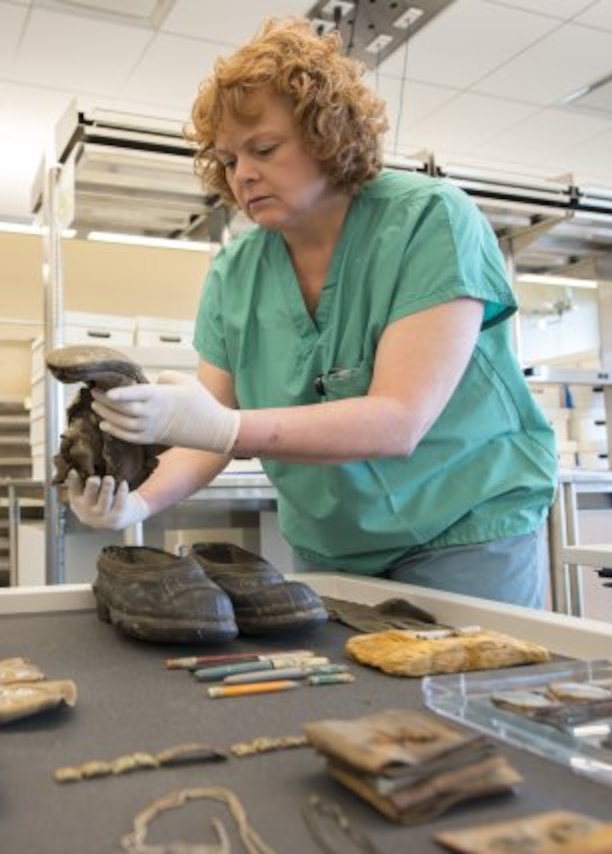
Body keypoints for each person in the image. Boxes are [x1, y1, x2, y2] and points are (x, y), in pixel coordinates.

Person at [64, 17, 557, 609]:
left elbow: (399, 419)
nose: (242, 173)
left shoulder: (430, 222)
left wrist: (223, 426)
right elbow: (209, 433)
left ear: (327, 134)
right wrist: (139, 501)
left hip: (463, 531)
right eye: (226, 161)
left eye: (264, 149)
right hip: (331, 544)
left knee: (459, 693)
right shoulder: (235, 272)